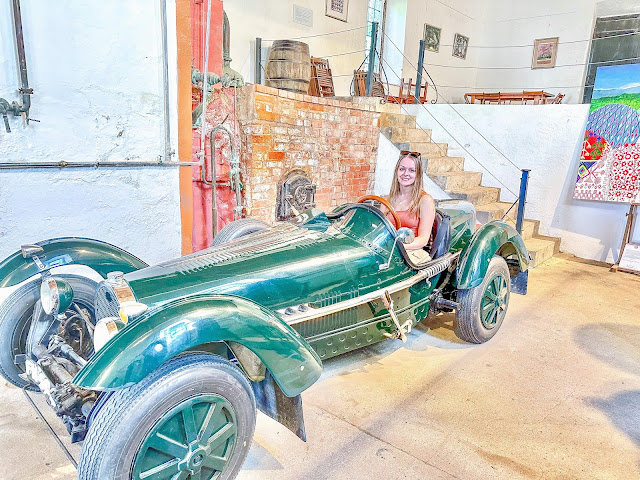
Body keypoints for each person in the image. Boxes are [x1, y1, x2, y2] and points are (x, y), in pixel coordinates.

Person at [386, 151, 436, 253]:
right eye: (402, 169)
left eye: (411, 170)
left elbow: (423, 239)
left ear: (418, 174)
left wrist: (396, 247)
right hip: (386, 249)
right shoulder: (388, 199)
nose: (405, 174)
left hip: (411, 252)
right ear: (397, 171)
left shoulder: (425, 201)